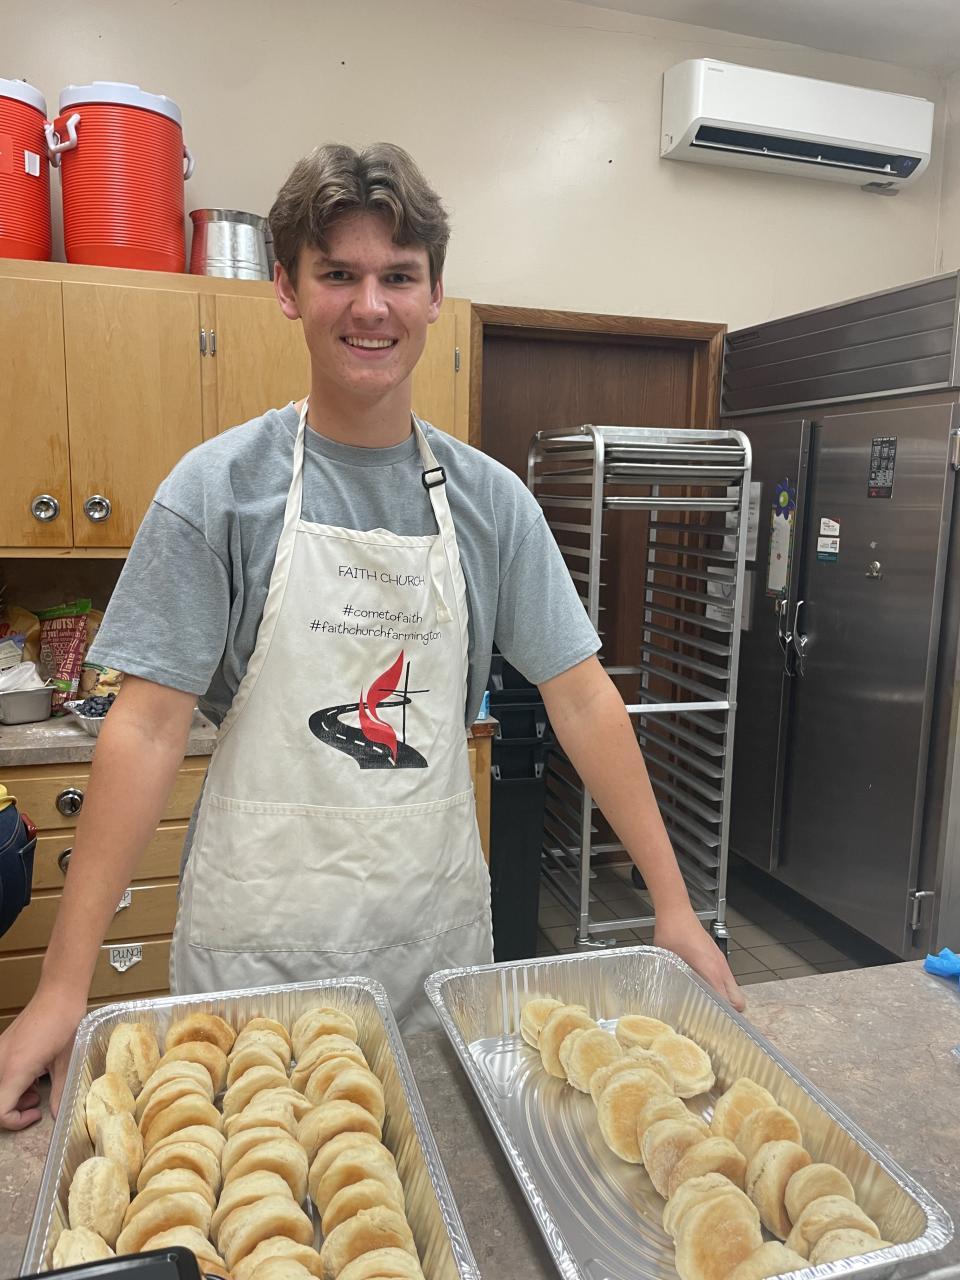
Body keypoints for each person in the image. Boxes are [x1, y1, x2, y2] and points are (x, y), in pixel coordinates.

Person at [0, 142, 741, 1131]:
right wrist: (62, 986)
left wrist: (673, 905)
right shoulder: (217, 492)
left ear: (435, 295)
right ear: (287, 289)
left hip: (429, 960)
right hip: (254, 969)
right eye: (338, 274)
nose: (371, 305)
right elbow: (144, 728)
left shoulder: (492, 506)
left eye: (398, 276)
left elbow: (581, 698)